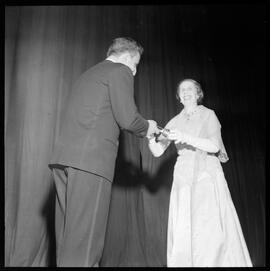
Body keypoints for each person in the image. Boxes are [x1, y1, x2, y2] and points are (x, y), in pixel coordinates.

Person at [48, 37, 159, 267]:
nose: (135, 72)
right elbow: (128, 118)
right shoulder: (120, 71)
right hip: (91, 163)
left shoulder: (87, 75)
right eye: (136, 64)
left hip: (64, 161)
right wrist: (149, 127)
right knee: (85, 244)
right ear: (128, 57)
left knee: (70, 239)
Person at [148, 79, 253, 267]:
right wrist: (149, 137)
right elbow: (158, 151)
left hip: (206, 174)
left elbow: (214, 146)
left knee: (207, 223)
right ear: (179, 97)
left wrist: (184, 136)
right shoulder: (175, 120)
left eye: (190, 89)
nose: (186, 92)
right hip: (183, 176)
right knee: (185, 224)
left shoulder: (208, 115)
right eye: (182, 90)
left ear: (198, 94)